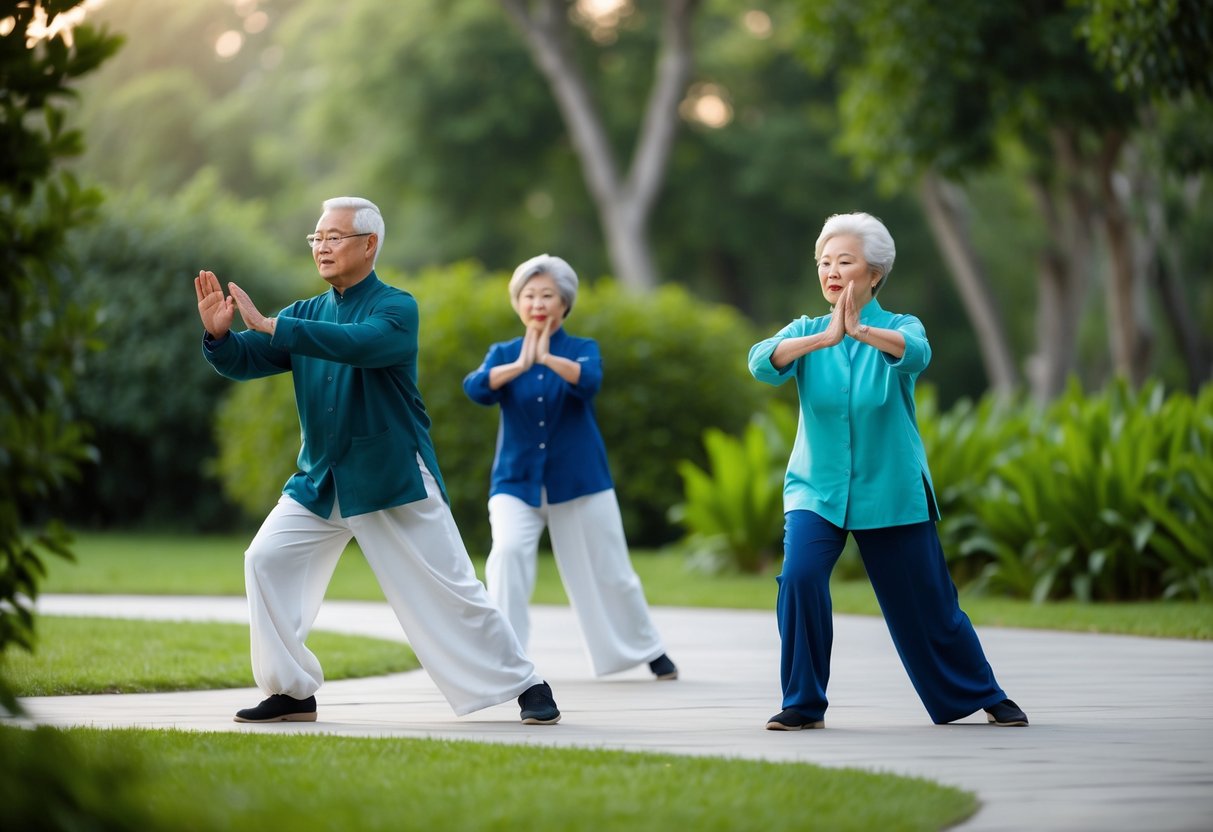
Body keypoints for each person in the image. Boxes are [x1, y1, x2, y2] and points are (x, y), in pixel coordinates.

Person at [194, 197, 560, 725]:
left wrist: (275, 327)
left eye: (334, 237)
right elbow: (246, 360)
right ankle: (292, 691)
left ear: (369, 245)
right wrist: (220, 335)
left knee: (451, 585)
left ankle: (526, 684)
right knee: (265, 560)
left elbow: (358, 344)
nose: (321, 246)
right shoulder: (303, 313)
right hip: (320, 478)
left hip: (392, 475)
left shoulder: (396, 307)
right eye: (316, 237)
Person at [748, 212, 1027, 731]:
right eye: (824, 262)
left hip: (890, 487)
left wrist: (860, 332)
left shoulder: (901, 327)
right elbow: (761, 362)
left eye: (844, 261)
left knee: (928, 604)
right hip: (816, 490)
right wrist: (825, 339)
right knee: (801, 580)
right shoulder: (807, 331)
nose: (831, 271)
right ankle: (803, 704)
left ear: (874, 273)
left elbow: (917, 354)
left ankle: (984, 693)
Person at [462, 254, 677, 681]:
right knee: (505, 556)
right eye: (529, 295)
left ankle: (649, 650)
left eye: (547, 295)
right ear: (517, 302)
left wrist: (546, 360)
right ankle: (507, 661)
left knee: (611, 570)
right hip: (516, 483)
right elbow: (476, 388)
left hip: (580, 481)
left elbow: (589, 382)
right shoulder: (503, 353)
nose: (537, 303)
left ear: (564, 303)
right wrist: (521, 365)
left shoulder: (582, 349)